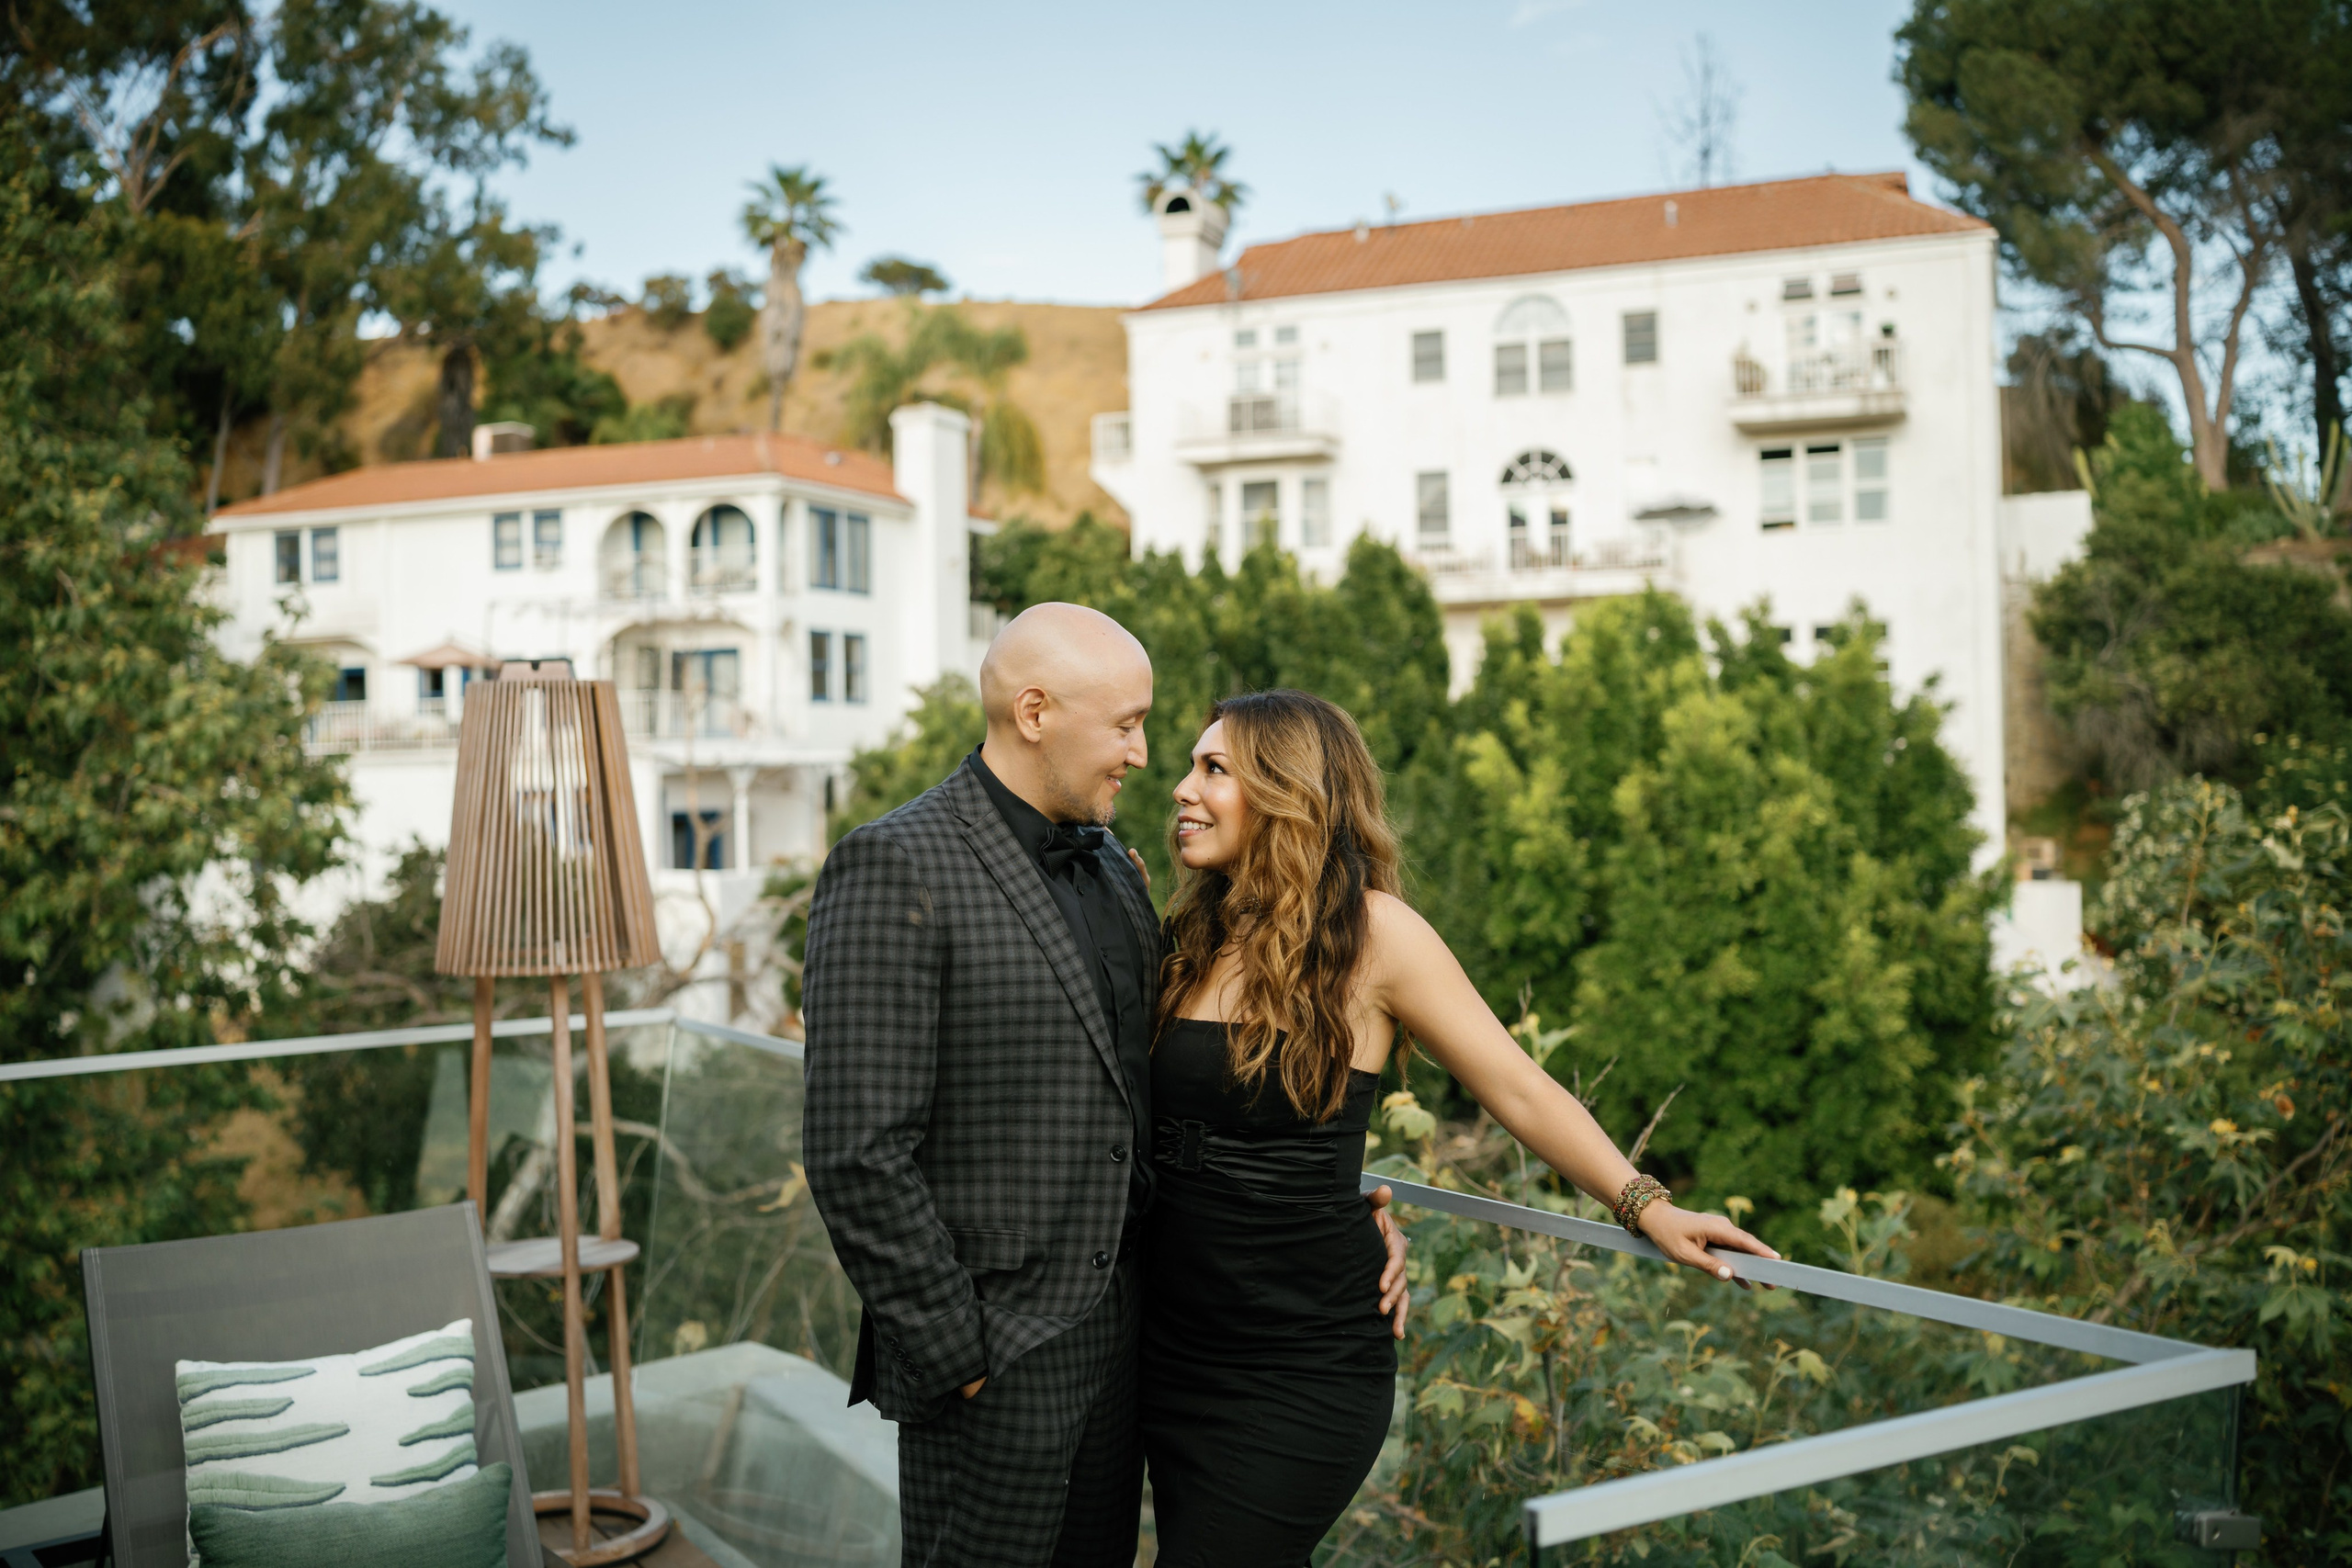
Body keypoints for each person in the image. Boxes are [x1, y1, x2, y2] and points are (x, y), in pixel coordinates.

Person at [800, 606, 1408, 1568]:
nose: (1142, 753)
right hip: (992, 1363)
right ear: (1035, 712)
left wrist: (1326, 1203)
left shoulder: (1118, 874)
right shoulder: (895, 863)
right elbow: (856, 1151)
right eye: (1126, 724)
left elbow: (1172, 1094)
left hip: (1134, 1352)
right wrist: (959, 1352)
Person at [1140, 689, 1781, 1567]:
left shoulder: (1374, 935)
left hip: (1298, 1361)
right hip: (1165, 1345)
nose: (1181, 786)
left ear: (1288, 791)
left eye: (1213, 768)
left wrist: (1645, 1204)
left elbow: (1518, 1088)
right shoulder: (1189, 935)